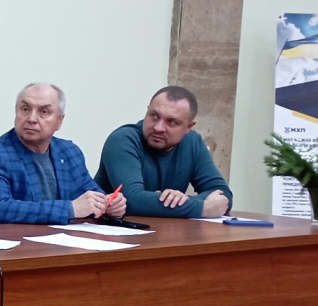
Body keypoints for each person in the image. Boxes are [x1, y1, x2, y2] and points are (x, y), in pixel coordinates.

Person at [0, 83, 126, 225]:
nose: (32, 118)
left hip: (60, 242)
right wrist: (70, 209)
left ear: (59, 121)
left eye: (44, 111)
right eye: (25, 109)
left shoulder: (70, 152)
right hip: (4, 245)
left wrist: (109, 205)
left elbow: (92, 196)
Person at [95, 86, 232, 218]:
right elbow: (133, 200)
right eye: (154, 116)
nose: (158, 128)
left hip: (166, 229)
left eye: (171, 122)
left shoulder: (193, 142)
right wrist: (202, 208)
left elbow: (222, 195)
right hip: (114, 230)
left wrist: (182, 200)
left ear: (188, 127)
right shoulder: (123, 140)